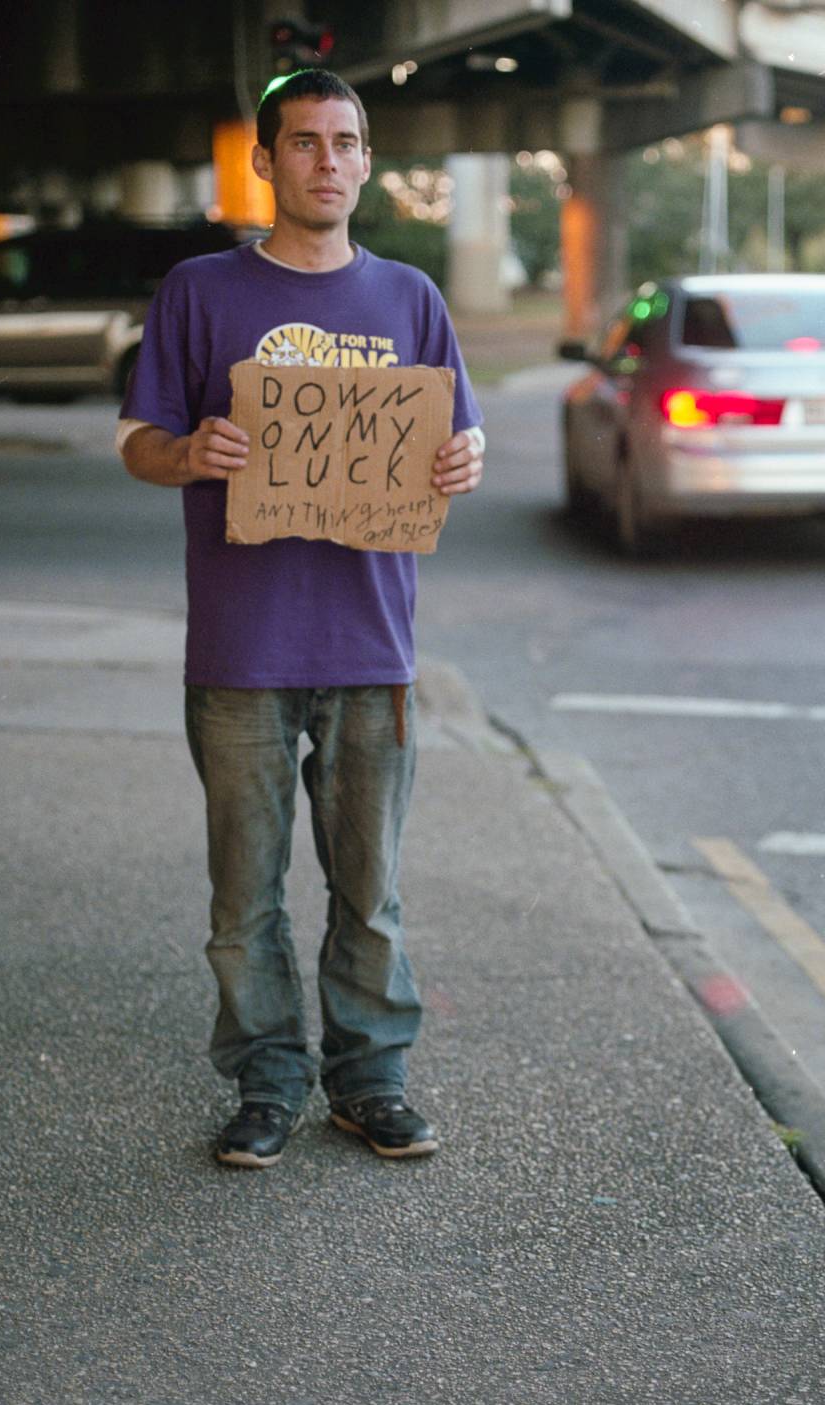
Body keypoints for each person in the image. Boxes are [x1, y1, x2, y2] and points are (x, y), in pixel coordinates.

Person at [118, 68, 484, 1169]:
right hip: (242, 648)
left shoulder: (411, 299)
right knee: (245, 896)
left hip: (371, 645)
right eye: (305, 142)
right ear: (265, 162)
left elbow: (455, 441)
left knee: (368, 891)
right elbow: (140, 442)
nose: (327, 159)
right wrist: (188, 453)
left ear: (367, 162)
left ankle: (368, 1080)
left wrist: (464, 460)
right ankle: (268, 1079)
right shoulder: (199, 290)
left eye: (346, 141)